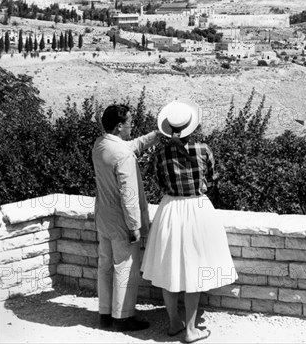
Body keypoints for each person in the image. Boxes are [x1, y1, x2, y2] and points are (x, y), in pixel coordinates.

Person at [141, 99, 238, 343]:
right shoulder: (204, 149)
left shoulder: (161, 153)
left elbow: (161, 183)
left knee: (169, 268)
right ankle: (191, 329)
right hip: (197, 208)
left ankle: (174, 323)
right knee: (194, 269)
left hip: (170, 209)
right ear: (191, 127)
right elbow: (213, 177)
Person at [92, 104, 160, 331]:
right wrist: (135, 226)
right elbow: (128, 194)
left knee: (105, 266)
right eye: (130, 122)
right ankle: (122, 317)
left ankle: (105, 313)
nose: (133, 125)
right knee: (125, 267)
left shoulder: (100, 144)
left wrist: (156, 135)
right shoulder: (123, 155)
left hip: (103, 217)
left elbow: (130, 146)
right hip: (121, 220)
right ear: (120, 126)